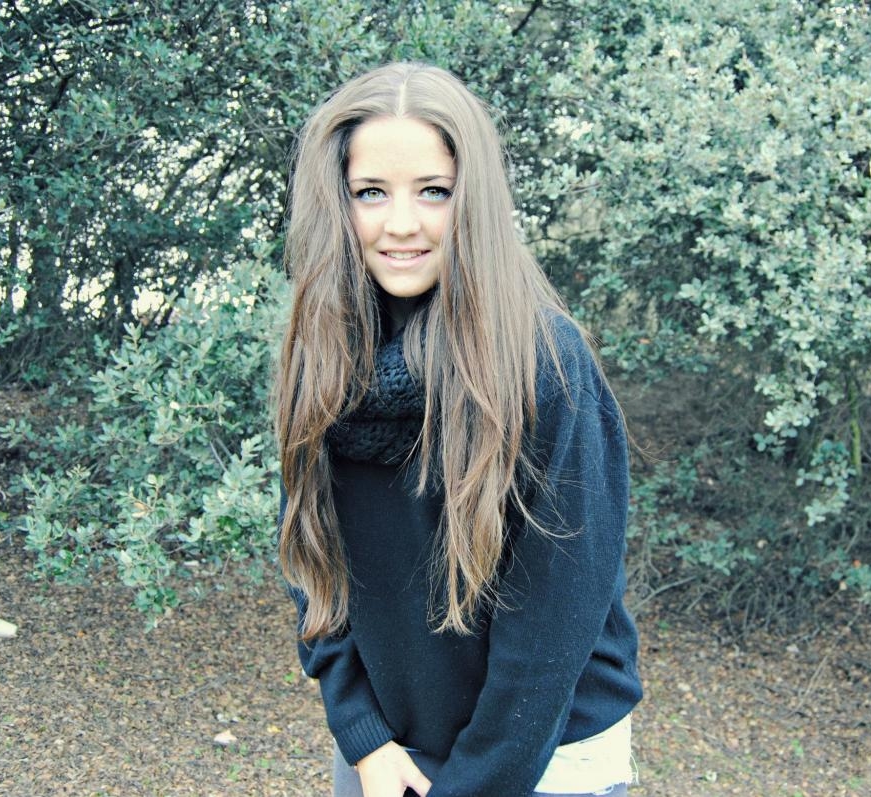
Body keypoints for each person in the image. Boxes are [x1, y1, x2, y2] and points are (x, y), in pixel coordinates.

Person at [274, 62, 642, 797]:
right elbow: (310, 560)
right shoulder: (323, 356)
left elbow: (552, 628)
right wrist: (362, 734)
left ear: (472, 199)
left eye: (433, 191)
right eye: (370, 192)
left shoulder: (544, 363)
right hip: (391, 754)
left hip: (544, 757)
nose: (401, 223)